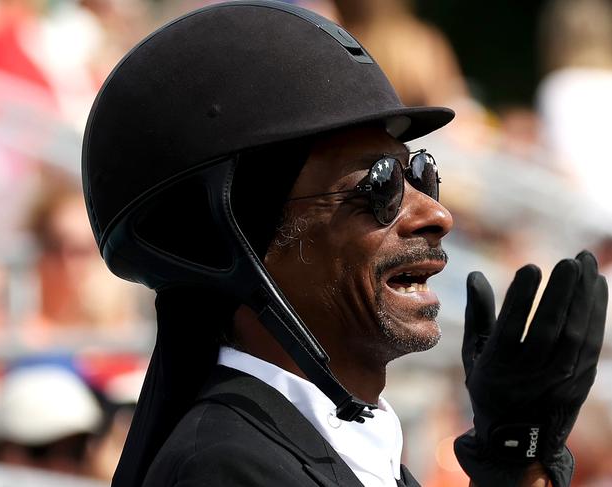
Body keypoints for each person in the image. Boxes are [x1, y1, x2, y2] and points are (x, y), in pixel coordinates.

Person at [81, 2, 608, 486]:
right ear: (239, 237)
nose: (436, 214)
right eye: (379, 185)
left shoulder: (336, 440)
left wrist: (516, 459)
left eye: (421, 174)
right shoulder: (226, 467)